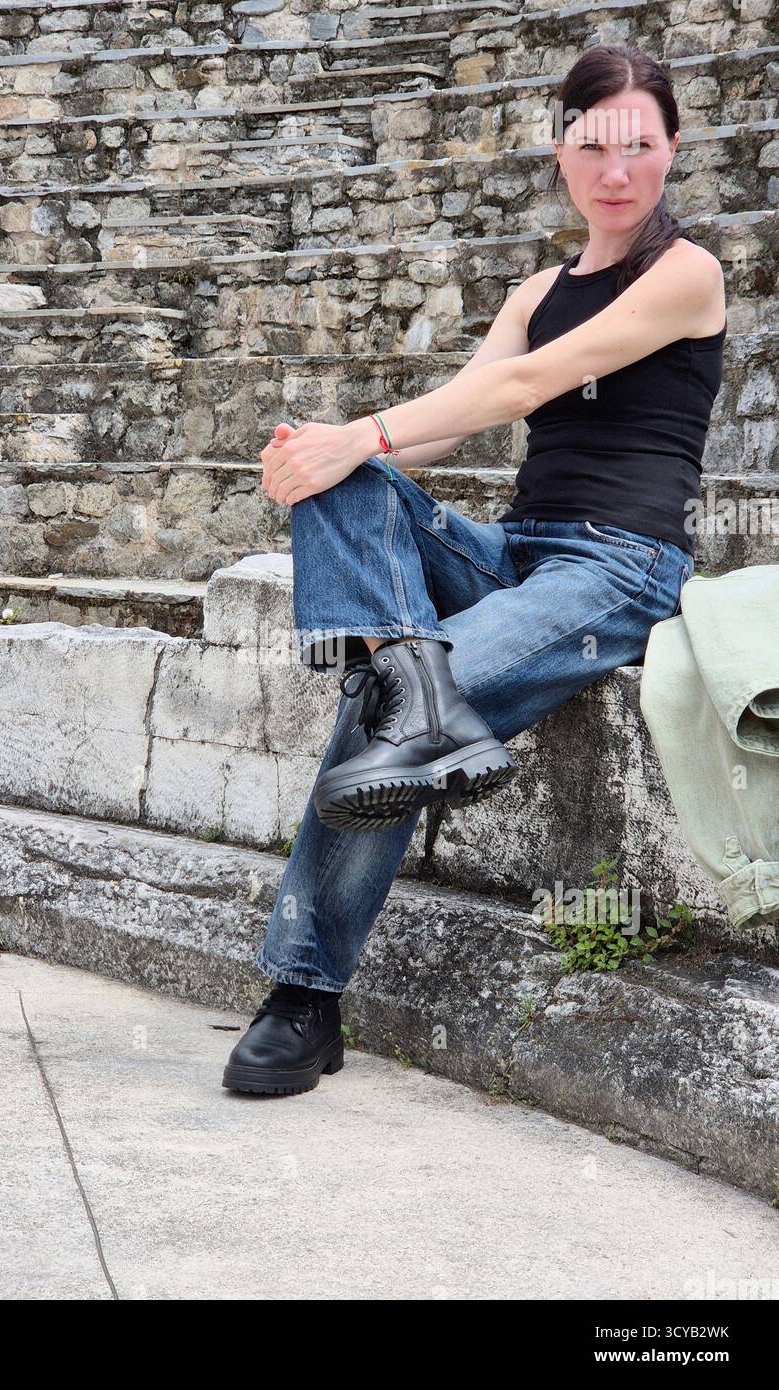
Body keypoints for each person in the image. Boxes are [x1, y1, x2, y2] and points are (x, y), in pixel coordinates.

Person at [222, 44, 728, 1096]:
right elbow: (438, 434)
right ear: (562, 152)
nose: (617, 169)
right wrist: (312, 451)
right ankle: (413, 678)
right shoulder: (537, 287)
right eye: (595, 145)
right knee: (347, 490)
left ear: (671, 150)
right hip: (516, 552)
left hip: (618, 573)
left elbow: (529, 386)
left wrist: (355, 431)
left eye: (640, 145)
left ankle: (304, 998)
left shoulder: (688, 272)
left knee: (384, 709)